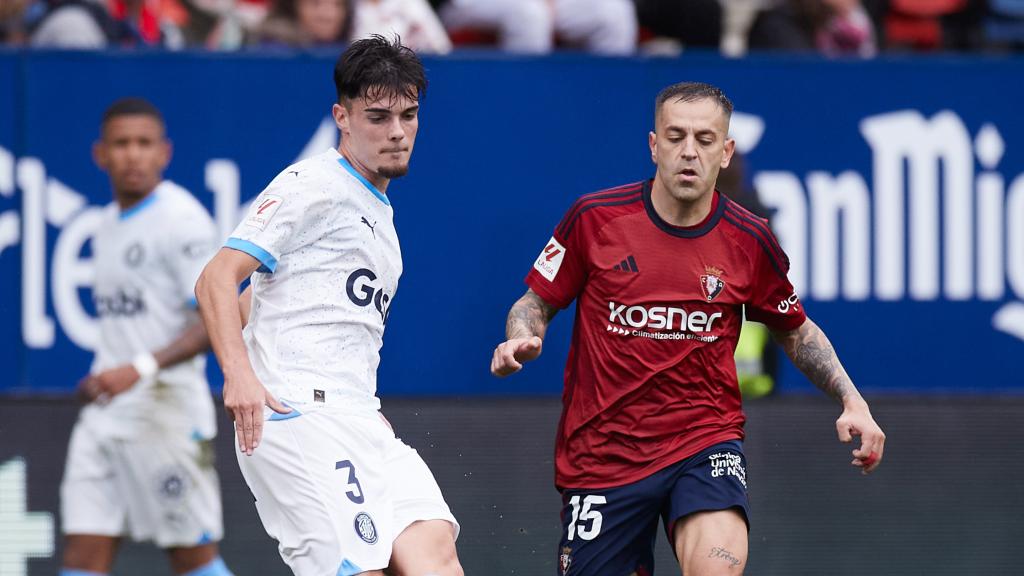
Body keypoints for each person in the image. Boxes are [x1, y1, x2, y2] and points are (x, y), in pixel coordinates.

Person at [490, 82, 886, 575]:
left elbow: (796, 330)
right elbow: (535, 301)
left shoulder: (751, 239)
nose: (688, 151)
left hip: (704, 443)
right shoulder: (594, 219)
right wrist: (520, 336)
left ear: (726, 152)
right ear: (654, 144)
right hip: (603, 454)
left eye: (704, 139)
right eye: (675, 136)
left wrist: (853, 400)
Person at [194, 35, 462, 576]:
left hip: (357, 415)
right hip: (298, 415)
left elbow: (259, 299)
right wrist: (241, 375)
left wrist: (357, 401)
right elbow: (216, 278)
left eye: (408, 115)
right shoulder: (312, 184)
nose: (397, 131)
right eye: (378, 115)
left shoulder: (377, 210)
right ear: (342, 116)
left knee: (434, 554)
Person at [59, 98, 232, 576]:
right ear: (101, 155)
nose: (133, 154)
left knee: (191, 559)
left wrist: (139, 369)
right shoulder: (107, 225)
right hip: (106, 413)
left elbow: (221, 315)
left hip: (165, 411)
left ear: (165, 153)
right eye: (121, 144)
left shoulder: (182, 220)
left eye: (143, 143)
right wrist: (112, 371)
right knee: (81, 556)